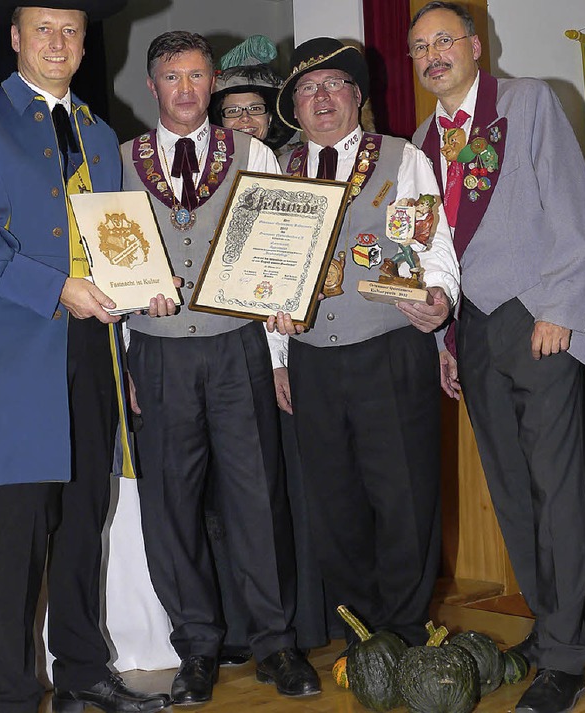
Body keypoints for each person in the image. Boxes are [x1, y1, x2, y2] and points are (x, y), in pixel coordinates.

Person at [0, 2, 174, 712]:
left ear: (86, 46)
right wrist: (59, 288)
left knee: (86, 517)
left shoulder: (101, 131)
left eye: (71, 30)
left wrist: (140, 293)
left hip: (94, 348)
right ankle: (15, 694)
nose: (58, 41)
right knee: (19, 534)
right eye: (43, 29)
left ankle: (83, 668)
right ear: (17, 38)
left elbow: (118, 245)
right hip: (19, 352)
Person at [409, 3, 585, 712]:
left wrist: (562, 306)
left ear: (474, 45)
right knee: (512, 493)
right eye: (420, 46)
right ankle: (553, 627)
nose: (434, 54)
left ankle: (566, 657)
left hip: (536, 316)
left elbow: (574, 209)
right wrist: (442, 335)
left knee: (556, 491)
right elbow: (429, 255)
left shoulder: (529, 102)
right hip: (475, 330)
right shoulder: (421, 140)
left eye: (444, 40)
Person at [121, 30, 320, 705]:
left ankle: (276, 642)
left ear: (214, 84)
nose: (185, 89)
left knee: (256, 496)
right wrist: (122, 355)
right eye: (172, 76)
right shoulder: (122, 160)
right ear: (153, 86)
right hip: (157, 350)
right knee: (171, 506)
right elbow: (100, 259)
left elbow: (284, 238)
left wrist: (285, 304)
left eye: (197, 76)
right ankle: (198, 647)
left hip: (237, 346)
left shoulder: (252, 151)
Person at [268, 37, 460, 648]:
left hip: (391, 348)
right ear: (294, 109)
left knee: (404, 498)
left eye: (334, 85)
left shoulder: (403, 158)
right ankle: (362, 634)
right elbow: (264, 276)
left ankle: (406, 632)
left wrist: (440, 301)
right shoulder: (274, 171)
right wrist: (278, 360)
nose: (321, 98)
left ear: (357, 95)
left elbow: (435, 252)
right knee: (334, 502)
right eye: (307, 89)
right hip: (311, 359)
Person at [206, 35, 329, 664]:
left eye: (254, 109)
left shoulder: (298, 170)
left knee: (294, 489)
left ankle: (303, 625)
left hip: (284, 354)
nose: (243, 120)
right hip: (220, 357)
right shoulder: (197, 178)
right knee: (232, 496)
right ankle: (236, 626)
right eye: (230, 111)